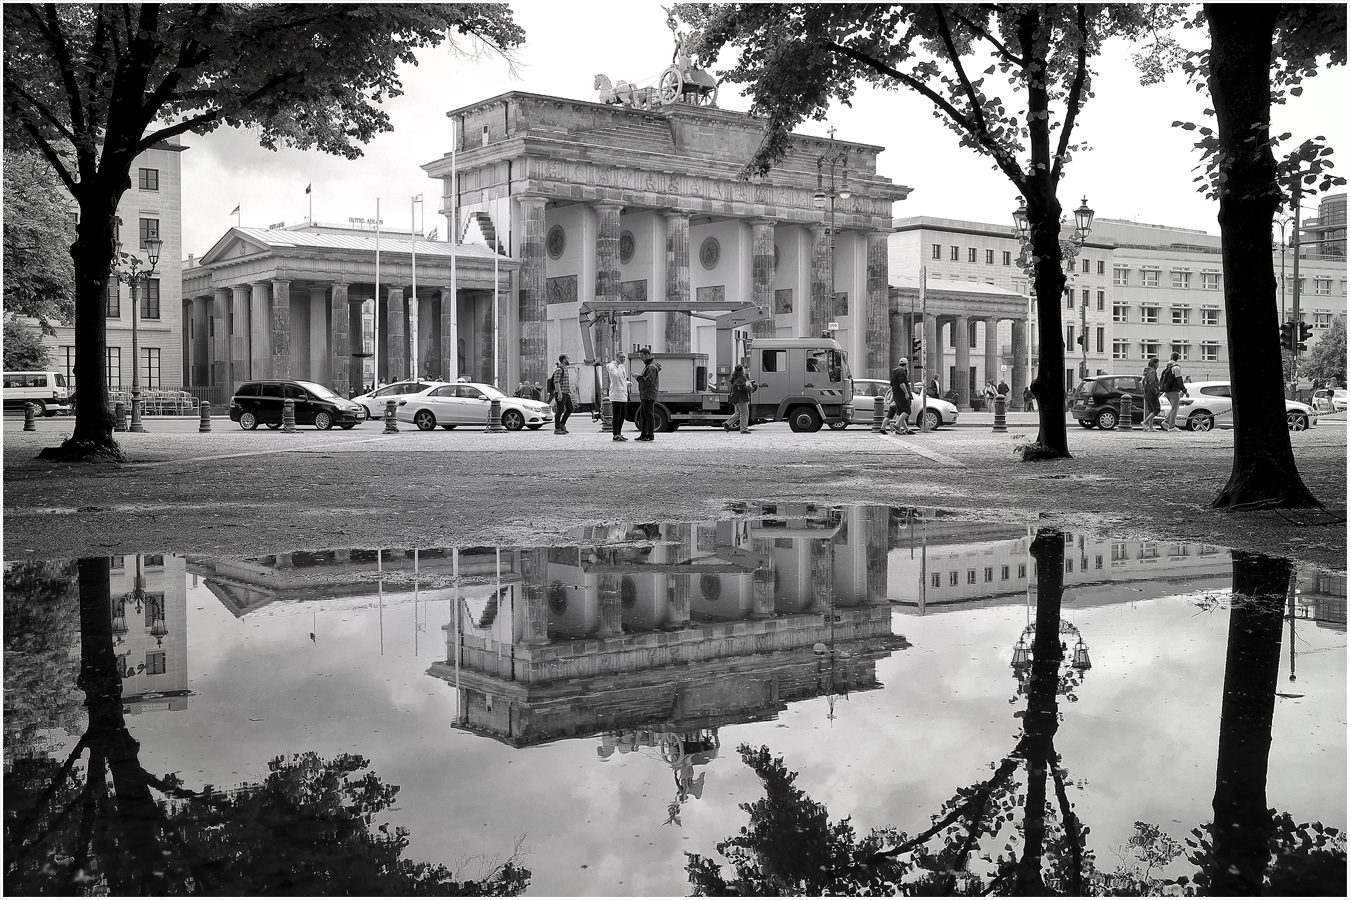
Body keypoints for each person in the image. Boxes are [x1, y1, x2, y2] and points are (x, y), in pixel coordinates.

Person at [634, 348, 661, 442]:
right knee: (644, 415)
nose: (641, 359)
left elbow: (649, 382)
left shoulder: (651, 367)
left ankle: (649, 435)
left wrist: (638, 377)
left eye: (642, 357)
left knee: (648, 415)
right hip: (646, 394)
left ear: (647, 355)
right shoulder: (649, 366)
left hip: (648, 395)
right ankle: (644, 434)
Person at [723, 363, 760, 433]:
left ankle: (727, 424)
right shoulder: (740, 378)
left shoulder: (736, 377)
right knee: (744, 413)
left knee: (740, 413)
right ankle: (744, 429)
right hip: (741, 398)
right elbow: (743, 388)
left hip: (737, 398)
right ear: (741, 370)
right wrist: (749, 386)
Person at [881, 358, 913, 434]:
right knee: (907, 411)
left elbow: (892, 384)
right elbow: (902, 383)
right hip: (901, 395)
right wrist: (906, 392)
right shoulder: (901, 372)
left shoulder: (895, 372)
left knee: (900, 412)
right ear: (906, 364)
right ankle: (896, 425)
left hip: (896, 395)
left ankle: (904, 429)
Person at [1159, 351, 1188, 431]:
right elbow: (1179, 380)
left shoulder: (1167, 366)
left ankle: (1166, 421)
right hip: (1174, 390)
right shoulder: (1176, 368)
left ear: (1171, 357)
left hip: (1167, 390)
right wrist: (1185, 391)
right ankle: (1171, 426)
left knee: (1174, 408)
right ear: (1177, 358)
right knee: (1175, 408)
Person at [605, 351, 631, 441]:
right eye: (621, 357)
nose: (623, 359)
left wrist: (627, 383)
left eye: (624, 357)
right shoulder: (612, 366)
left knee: (623, 414)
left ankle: (619, 433)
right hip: (616, 394)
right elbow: (616, 376)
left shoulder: (622, 366)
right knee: (617, 414)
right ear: (616, 358)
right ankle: (615, 434)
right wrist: (619, 366)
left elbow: (622, 379)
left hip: (623, 393)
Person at [550, 354, 574, 434]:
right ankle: (557, 428)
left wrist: (569, 392)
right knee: (560, 410)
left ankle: (562, 424)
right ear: (564, 360)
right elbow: (556, 382)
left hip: (566, 393)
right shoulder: (559, 370)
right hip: (561, 393)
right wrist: (559, 393)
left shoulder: (565, 369)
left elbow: (565, 382)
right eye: (567, 358)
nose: (569, 360)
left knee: (570, 408)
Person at [1141, 357, 1162, 431]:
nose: (1158, 365)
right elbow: (1152, 382)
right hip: (1151, 392)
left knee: (1150, 410)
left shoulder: (1146, 371)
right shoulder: (1153, 372)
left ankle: (1151, 427)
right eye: (1158, 363)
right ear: (1154, 364)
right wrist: (1156, 390)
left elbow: (1143, 382)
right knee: (1157, 409)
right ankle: (1144, 422)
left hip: (1146, 392)